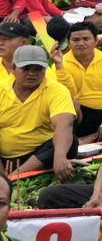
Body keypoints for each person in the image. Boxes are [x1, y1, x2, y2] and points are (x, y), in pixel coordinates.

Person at [0, 46, 75, 181]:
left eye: (38, 69)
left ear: (45, 70)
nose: (32, 74)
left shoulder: (57, 90)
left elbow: (64, 124)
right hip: (4, 157)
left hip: (40, 155)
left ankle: (12, 177)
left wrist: (59, 157)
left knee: (69, 142)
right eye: (26, 69)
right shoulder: (1, 89)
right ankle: (8, 178)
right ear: (13, 69)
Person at [55, 21, 102, 139]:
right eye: (75, 40)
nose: (81, 43)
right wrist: (60, 67)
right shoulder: (61, 62)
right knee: (72, 103)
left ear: (96, 41)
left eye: (86, 39)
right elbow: (67, 95)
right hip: (76, 116)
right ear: (68, 43)